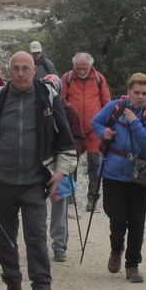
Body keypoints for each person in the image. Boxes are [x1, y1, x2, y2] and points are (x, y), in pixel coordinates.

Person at [0, 52, 76, 290]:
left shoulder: (48, 98)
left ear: (34, 70)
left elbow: (66, 139)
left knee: (36, 238)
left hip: (34, 183)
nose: (20, 73)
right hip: (1, 182)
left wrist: (61, 171)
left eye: (25, 68)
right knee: (5, 239)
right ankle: (12, 289)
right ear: (8, 71)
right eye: (15, 68)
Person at [91, 73, 146, 283]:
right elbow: (95, 122)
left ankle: (133, 265)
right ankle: (116, 249)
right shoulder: (115, 107)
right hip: (112, 171)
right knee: (117, 216)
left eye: (144, 93)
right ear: (128, 92)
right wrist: (104, 133)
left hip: (139, 174)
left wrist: (134, 122)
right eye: (136, 92)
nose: (140, 96)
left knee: (137, 221)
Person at [42, 74, 87, 262]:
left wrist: (69, 155)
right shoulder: (34, 109)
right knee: (36, 206)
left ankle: (59, 245)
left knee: (60, 207)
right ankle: (37, 243)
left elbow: (81, 141)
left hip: (61, 166)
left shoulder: (69, 110)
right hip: (39, 164)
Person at [61, 53, 111, 212]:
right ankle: (69, 195)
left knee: (95, 163)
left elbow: (106, 102)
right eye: (79, 68)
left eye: (85, 68)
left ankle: (92, 199)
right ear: (74, 66)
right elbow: (61, 100)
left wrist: (107, 123)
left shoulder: (98, 78)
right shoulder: (67, 78)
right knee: (71, 162)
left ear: (90, 66)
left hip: (94, 129)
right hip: (73, 128)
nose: (82, 71)